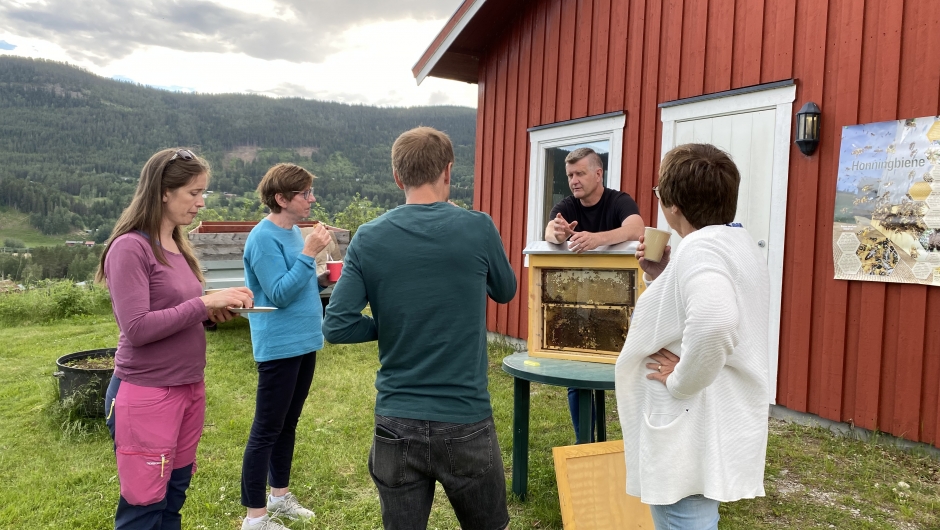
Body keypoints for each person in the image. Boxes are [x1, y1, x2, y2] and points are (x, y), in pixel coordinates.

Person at [322, 126, 517, 530]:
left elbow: (337, 325)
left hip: (396, 421)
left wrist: (389, 325)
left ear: (398, 177)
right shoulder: (478, 227)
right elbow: (506, 290)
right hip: (465, 417)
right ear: (448, 171)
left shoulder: (368, 237)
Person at [97, 148, 255, 530]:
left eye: (203, 193)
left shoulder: (177, 245)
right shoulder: (130, 247)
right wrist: (203, 304)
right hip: (147, 392)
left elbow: (177, 311)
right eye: (193, 193)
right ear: (163, 192)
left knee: (174, 497)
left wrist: (211, 312)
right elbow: (137, 328)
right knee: (144, 508)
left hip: (188, 387)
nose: (201, 203)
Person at [615, 143, 770, 529]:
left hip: (687, 422)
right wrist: (662, 274)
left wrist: (681, 381)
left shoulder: (699, 250)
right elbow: (695, 308)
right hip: (709, 417)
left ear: (673, 207)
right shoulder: (734, 243)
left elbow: (716, 320)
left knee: (684, 518)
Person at [239, 163, 334, 530]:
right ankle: (255, 519)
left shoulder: (294, 232)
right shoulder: (262, 239)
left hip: (304, 340)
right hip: (279, 345)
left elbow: (295, 281)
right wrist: (309, 254)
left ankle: (279, 497)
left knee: (287, 423)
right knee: (266, 429)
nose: (312, 199)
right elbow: (278, 293)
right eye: (304, 193)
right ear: (281, 198)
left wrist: (321, 277)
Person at [543, 147, 644, 442]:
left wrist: (597, 239)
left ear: (598, 174)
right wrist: (557, 234)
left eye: (580, 173)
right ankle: (584, 443)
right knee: (578, 376)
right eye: (569, 175)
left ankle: (633, 445)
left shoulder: (619, 201)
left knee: (632, 375)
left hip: (622, 304)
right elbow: (550, 231)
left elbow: (636, 227)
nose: (573, 181)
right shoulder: (566, 206)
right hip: (580, 304)